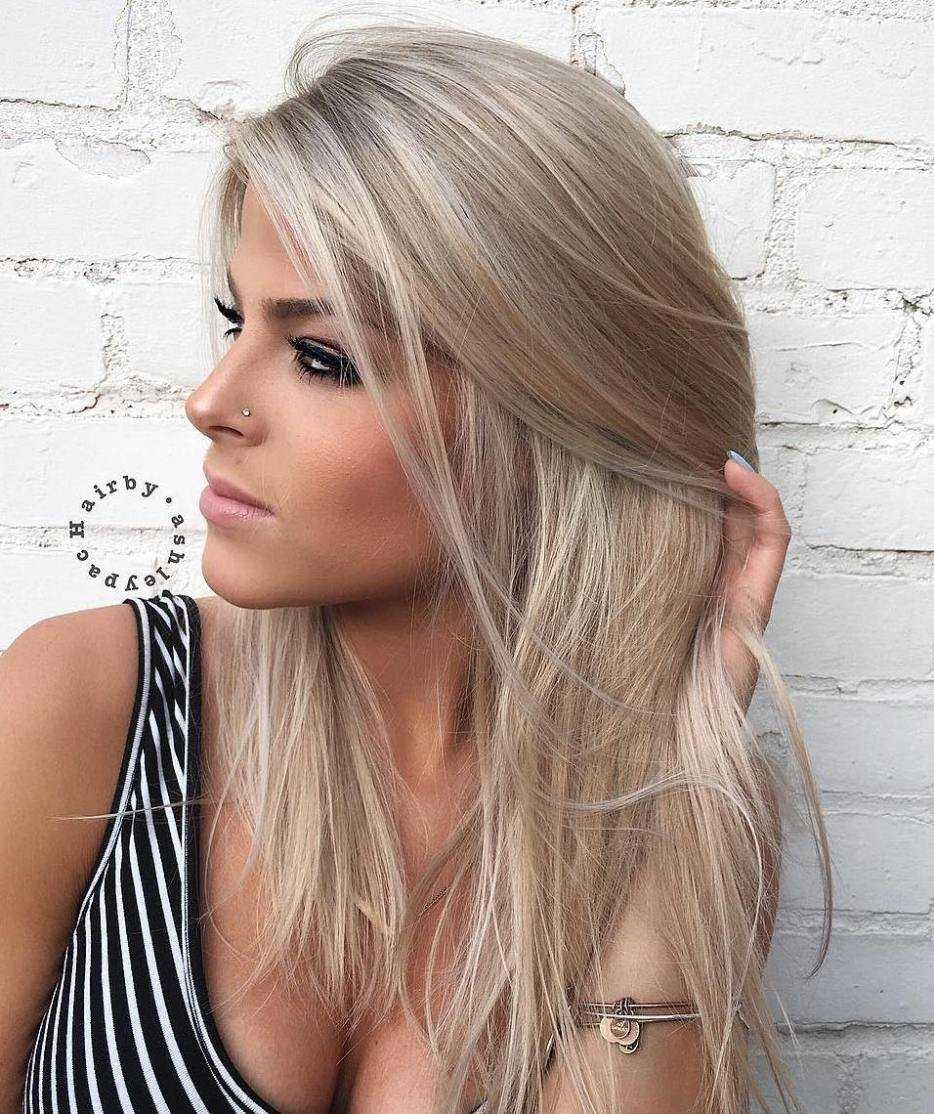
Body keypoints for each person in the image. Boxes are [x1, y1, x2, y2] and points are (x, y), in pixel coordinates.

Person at [1, 14, 831, 1114]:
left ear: (553, 416)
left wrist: (679, 779)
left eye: (320, 356)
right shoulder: (85, 701)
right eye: (235, 321)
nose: (209, 401)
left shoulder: (685, 803)